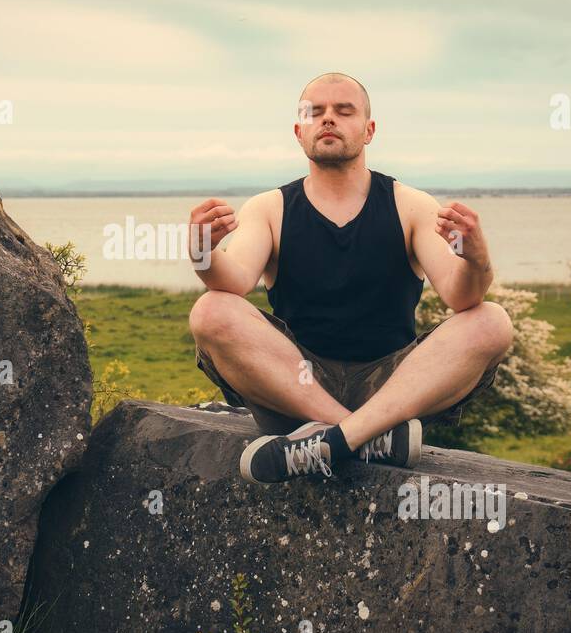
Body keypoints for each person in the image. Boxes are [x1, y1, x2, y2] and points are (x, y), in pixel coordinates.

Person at [187, 72, 513, 484]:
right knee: (211, 309)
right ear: (298, 131)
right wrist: (202, 252)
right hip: (295, 386)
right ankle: (364, 435)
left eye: (344, 111)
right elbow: (231, 284)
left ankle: (330, 442)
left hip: (393, 387)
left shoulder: (410, 205)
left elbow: (461, 297)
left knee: (491, 321)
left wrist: (477, 259)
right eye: (315, 112)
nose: (328, 120)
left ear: (369, 129)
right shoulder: (269, 208)